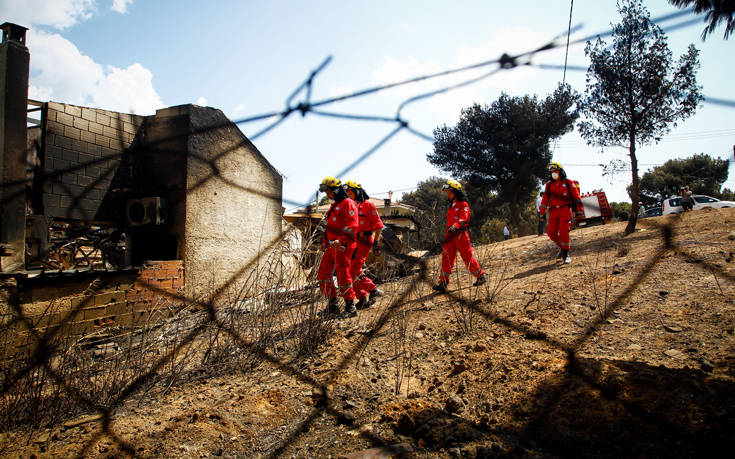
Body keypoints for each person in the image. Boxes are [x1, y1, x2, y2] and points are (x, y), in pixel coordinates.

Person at [432, 179, 486, 293]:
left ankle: (480, 276)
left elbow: (464, 218)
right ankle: (443, 282)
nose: (448, 194)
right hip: (450, 236)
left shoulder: (463, 204)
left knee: (467, 256)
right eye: (447, 192)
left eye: (449, 192)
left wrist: (456, 225)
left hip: (460, 235)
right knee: (446, 258)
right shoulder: (451, 205)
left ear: (456, 192)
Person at [316, 176, 359, 317]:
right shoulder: (335, 206)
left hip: (342, 245)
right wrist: (324, 242)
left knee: (342, 274)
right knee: (323, 273)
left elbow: (352, 225)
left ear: (335, 190)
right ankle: (333, 304)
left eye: (328, 192)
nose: (327, 195)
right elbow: (330, 227)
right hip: (331, 246)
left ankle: (350, 306)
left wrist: (341, 240)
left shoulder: (348, 203)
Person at [343, 180, 384, 309]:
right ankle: (361, 298)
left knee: (355, 267)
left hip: (365, 240)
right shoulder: (350, 206)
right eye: (347, 193)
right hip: (352, 240)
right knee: (349, 270)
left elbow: (378, 226)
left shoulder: (368, 205)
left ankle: (373, 289)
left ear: (357, 191)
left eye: (351, 192)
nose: (349, 195)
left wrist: (376, 242)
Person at [539, 162, 582, 264]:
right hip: (553, 211)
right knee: (550, 232)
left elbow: (577, 197)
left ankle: (566, 255)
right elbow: (544, 200)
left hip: (565, 210)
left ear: (560, 172)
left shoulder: (568, 182)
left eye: (555, 171)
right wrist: (542, 213)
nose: (554, 173)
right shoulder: (549, 185)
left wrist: (579, 210)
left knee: (563, 231)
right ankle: (563, 248)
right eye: (552, 172)